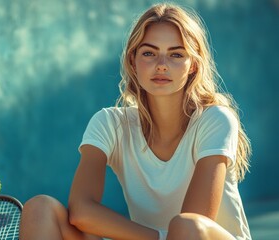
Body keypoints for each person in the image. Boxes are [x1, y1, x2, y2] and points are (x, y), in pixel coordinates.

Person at [19, 3, 252, 240]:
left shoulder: (215, 119)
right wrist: (157, 237)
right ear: (133, 60)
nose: (162, 64)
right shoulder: (110, 123)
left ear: (192, 65)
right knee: (40, 209)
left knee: (186, 225)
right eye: (149, 53)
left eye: (176, 54)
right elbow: (81, 211)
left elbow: (194, 224)